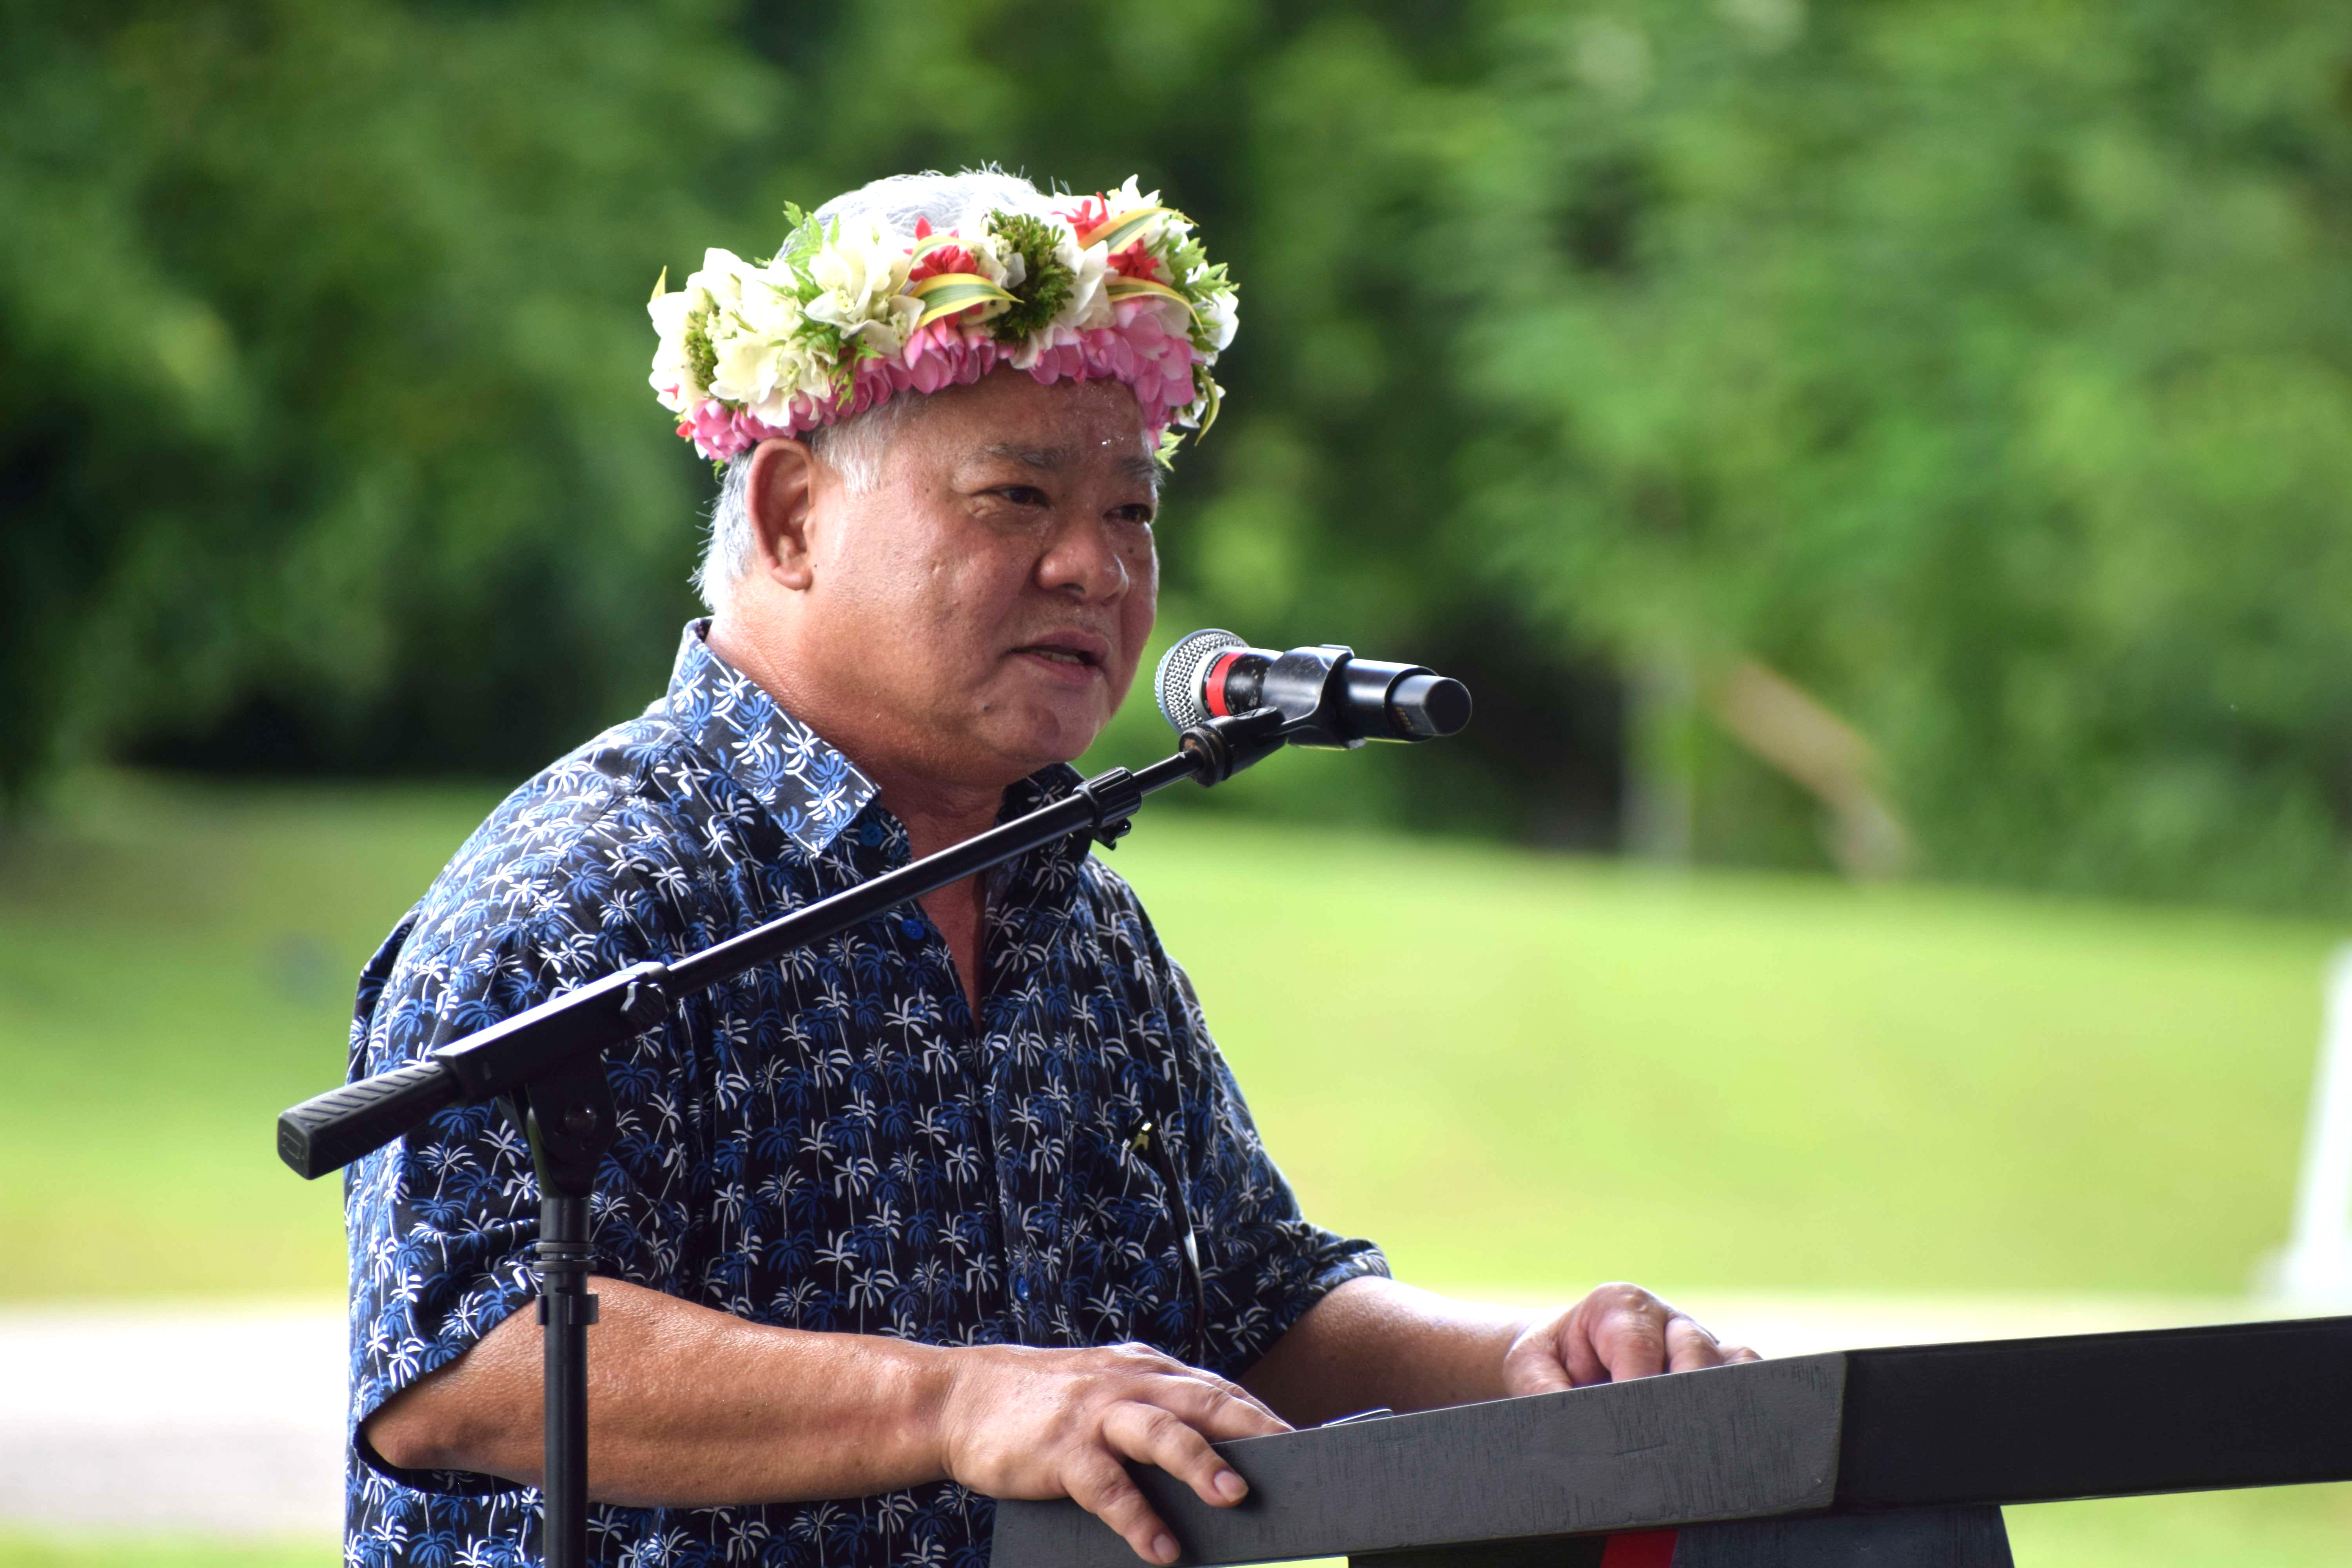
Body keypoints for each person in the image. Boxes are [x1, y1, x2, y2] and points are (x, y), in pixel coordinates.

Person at [344, 169, 1755, 1568]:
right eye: (1017, 496)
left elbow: (1257, 1313)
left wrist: (1526, 1360)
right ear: (788, 519)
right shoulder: (586, 882)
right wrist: (957, 1400)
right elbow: (461, 1366)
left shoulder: (1072, 911)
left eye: (1132, 514)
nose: (1095, 568)